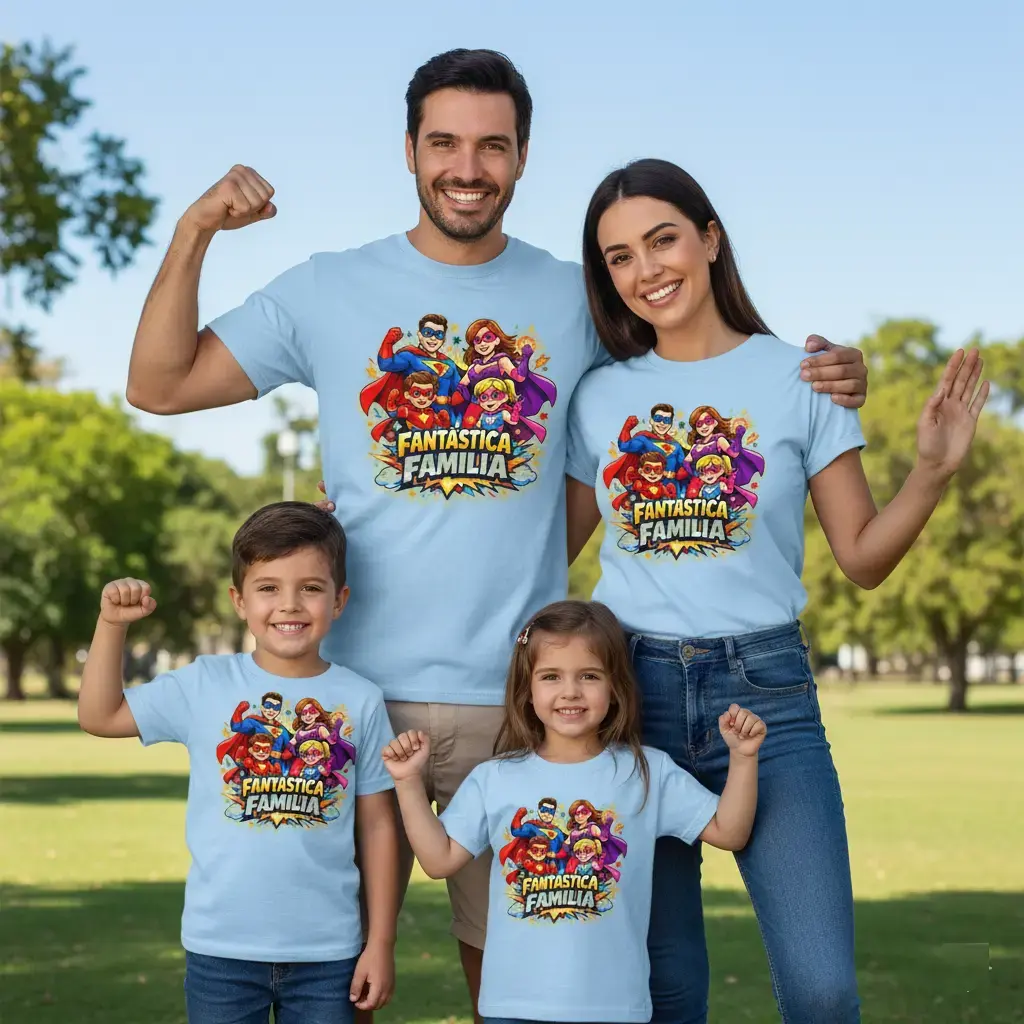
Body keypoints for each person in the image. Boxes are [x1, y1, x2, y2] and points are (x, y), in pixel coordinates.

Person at [122, 48, 868, 1016]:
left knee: (519, 997)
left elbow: (692, 371)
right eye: (443, 142)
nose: (465, 167)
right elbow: (158, 383)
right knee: (322, 984)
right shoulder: (327, 288)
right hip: (351, 705)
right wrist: (193, 232)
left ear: (521, 157)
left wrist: (828, 377)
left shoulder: (576, 298)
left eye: (490, 145)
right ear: (408, 151)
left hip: (513, 712)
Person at [565, 158, 990, 1024]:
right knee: (661, 986)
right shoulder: (597, 397)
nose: (645, 270)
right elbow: (544, 552)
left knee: (823, 989)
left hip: (767, 695)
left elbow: (864, 559)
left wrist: (936, 471)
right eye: (618, 257)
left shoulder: (802, 381)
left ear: (710, 239)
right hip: (628, 703)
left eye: (662, 239)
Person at [77, 502, 399, 1024]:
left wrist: (379, 942)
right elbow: (100, 714)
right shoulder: (204, 684)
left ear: (339, 600)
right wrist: (111, 624)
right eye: (268, 587)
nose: (289, 604)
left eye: (311, 588)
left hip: (329, 953)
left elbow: (380, 826)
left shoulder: (360, 699)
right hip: (220, 949)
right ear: (238, 600)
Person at [381, 601, 766, 1024]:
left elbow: (730, 832)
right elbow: (438, 860)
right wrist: (407, 782)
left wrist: (743, 758)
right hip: (513, 1007)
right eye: (551, 677)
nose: (570, 692)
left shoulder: (646, 771)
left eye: (589, 676)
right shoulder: (495, 778)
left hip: (614, 1008)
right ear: (527, 690)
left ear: (615, 687)